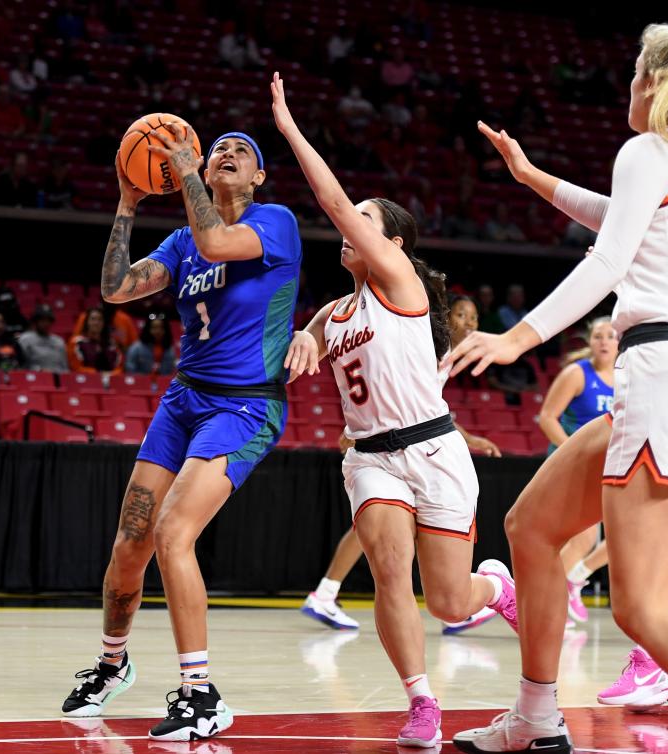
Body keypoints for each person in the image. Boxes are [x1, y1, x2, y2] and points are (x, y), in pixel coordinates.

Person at [447, 24, 668, 754]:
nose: (628, 84)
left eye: (637, 70)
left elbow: (609, 261)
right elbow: (619, 220)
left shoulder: (646, 151)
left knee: (643, 609)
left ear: (659, 82)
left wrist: (517, 338)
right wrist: (533, 178)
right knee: (533, 528)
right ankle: (537, 716)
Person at [272, 72, 517, 749]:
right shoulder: (338, 307)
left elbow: (333, 203)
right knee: (386, 570)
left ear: (395, 246)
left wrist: (291, 130)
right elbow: (320, 327)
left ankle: (493, 589)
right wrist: (304, 335)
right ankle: (422, 703)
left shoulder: (400, 285)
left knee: (448, 601)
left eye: (367, 223)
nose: (351, 228)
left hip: (435, 450)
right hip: (370, 456)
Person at [61, 125, 301, 746]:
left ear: (259, 177)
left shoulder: (276, 222)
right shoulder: (178, 242)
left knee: (173, 532)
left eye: (240, 152)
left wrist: (187, 170)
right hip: (183, 400)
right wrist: (127, 202)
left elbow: (218, 242)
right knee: (128, 544)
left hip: (245, 407)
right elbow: (115, 289)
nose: (226, 154)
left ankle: (201, 694)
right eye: (217, 146)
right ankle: (112, 666)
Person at [301, 296, 503, 636]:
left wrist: (468, 437)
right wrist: (360, 429)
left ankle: (328, 592)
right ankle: (328, 591)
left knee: (386, 525)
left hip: (405, 443)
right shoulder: (426, 343)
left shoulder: (446, 354)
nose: (469, 323)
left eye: (474, 317)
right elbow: (389, 390)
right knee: (394, 526)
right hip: (390, 446)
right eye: (461, 314)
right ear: (445, 317)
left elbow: (426, 408)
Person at [538, 318, 615, 624]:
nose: (605, 341)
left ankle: (573, 580)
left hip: (608, 467)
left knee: (624, 536)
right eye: (598, 336)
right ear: (589, 342)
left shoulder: (628, 378)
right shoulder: (577, 373)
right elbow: (547, 418)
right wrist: (575, 450)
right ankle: (549, 598)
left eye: (611, 336)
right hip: (571, 464)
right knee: (583, 538)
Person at [68, 307, 123, 376]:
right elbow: (76, 368)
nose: (96, 323)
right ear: (86, 322)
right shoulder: (77, 342)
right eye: (93, 319)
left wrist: (111, 375)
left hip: (111, 380)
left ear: (104, 323)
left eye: (100, 319)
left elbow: (119, 368)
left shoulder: (111, 344)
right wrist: (98, 374)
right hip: (86, 381)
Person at [18, 304, 69, 372]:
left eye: (48, 320)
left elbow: (64, 366)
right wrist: (39, 370)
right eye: (42, 320)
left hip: (58, 377)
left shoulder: (59, 341)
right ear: (35, 321)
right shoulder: (25, 339)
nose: (46, 323)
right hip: (36, 377)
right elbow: (22, 364)